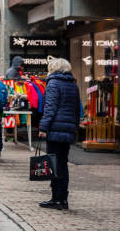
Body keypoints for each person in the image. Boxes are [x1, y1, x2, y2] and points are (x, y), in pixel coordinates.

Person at [38, 57, 80, 210]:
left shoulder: (53, 84)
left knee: (53, 164)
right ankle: (63, 199)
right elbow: (77, 109)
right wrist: (75, 127)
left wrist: (43, 128)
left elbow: (50, 108)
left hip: (55, 130)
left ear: (53, 69)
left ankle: (56, 198)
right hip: (68, 130)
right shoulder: (73, 85)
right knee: (63, 163)